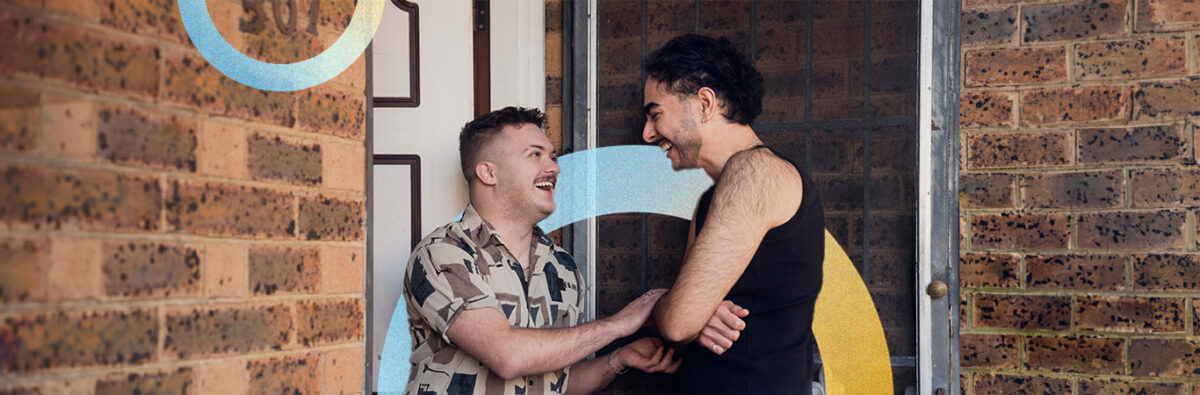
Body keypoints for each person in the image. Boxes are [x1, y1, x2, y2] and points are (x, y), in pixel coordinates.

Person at [404, 107, 689, 395]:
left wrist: (618, 359)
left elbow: (560, 384)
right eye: (535, 154)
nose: (554, 167)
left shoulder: (563, 267)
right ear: (489, 173)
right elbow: (507, 356)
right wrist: (618, 325)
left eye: (551, 156)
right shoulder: (443, 253)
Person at [642, 34, 826, 394]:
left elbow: (677, 323)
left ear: (705, 103)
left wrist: (661, 305)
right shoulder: (713, 197)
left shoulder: (756, 172)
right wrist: (691, 310)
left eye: (656, 115)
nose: (648, 133)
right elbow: (685, 318)